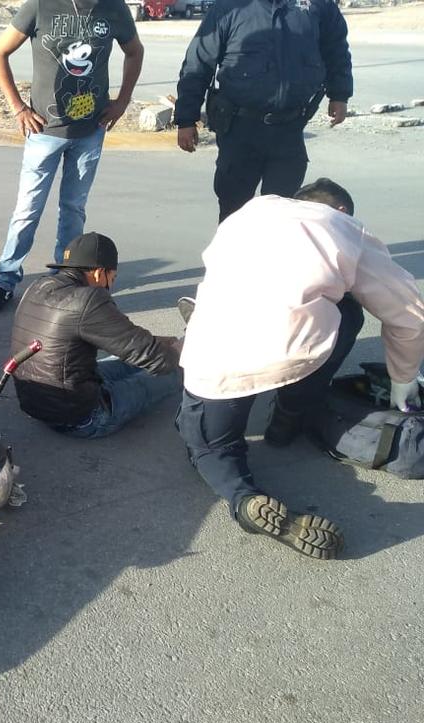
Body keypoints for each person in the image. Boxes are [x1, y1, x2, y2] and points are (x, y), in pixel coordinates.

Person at [176, 179, 424, 560]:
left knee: (209, 446)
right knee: (348, 312)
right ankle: (288, 419)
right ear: (341, 210)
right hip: (294, 352)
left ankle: (245, 498)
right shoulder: (345, 227)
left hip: (215, 353)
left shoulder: (251, 211)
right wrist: (403, 378)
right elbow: (409, 314)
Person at [0, 0, 144, 314]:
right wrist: (18, 107)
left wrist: (122, 101)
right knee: (27, 210)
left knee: (73, 210)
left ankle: (65, 282)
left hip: (90, 132)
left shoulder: (113, 7)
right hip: (44, 132)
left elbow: (135, 51)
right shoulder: (41, 5)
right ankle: (6, 279)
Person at [174, 0, 353, 222]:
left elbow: (336, 49)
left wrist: (339, 95)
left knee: (282, 212)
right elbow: (198, 64)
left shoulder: (318, 5)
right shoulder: (229, 7)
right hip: (239, 129)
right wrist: (186, 120)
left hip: (289, 128)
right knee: (234, 213)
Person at [10, 232, 182, 438]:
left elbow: (123, 340)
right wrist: (182, 349)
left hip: (38, 403)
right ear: (100, 273)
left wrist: (159, 342)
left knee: (127, 361)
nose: (111, 284)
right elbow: (159, 361)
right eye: (113, 278)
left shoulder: (38, 285)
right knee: (174, 369)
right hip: (81, 419)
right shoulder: (88, 299)